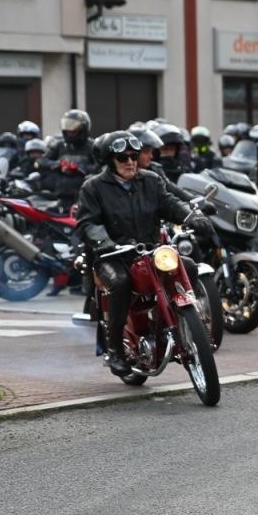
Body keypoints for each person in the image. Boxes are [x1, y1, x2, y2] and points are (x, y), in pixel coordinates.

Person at [78, 131, 212, 375]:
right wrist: (104, 242)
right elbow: (88, 223)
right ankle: (116, 349)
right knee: (120, 282)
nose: (130, 162)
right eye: (122, 157)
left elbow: (169, 203)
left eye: (133, 156)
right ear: (110, 160)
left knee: (189, 267)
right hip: (114, 256)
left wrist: (193, 216)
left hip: (150, 252)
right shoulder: (94, 187)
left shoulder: (150, 180)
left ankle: (175, 319)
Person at [39, 109, 93, 209]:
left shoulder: (92, 147)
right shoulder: (59, 145)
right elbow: (40, 162)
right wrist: (57, 164)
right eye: (67, 129)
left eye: (73, 130)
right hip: (60, 196)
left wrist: (82, 168)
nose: (69, 132)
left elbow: (103, 166)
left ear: (83, 128)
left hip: (85, 198)